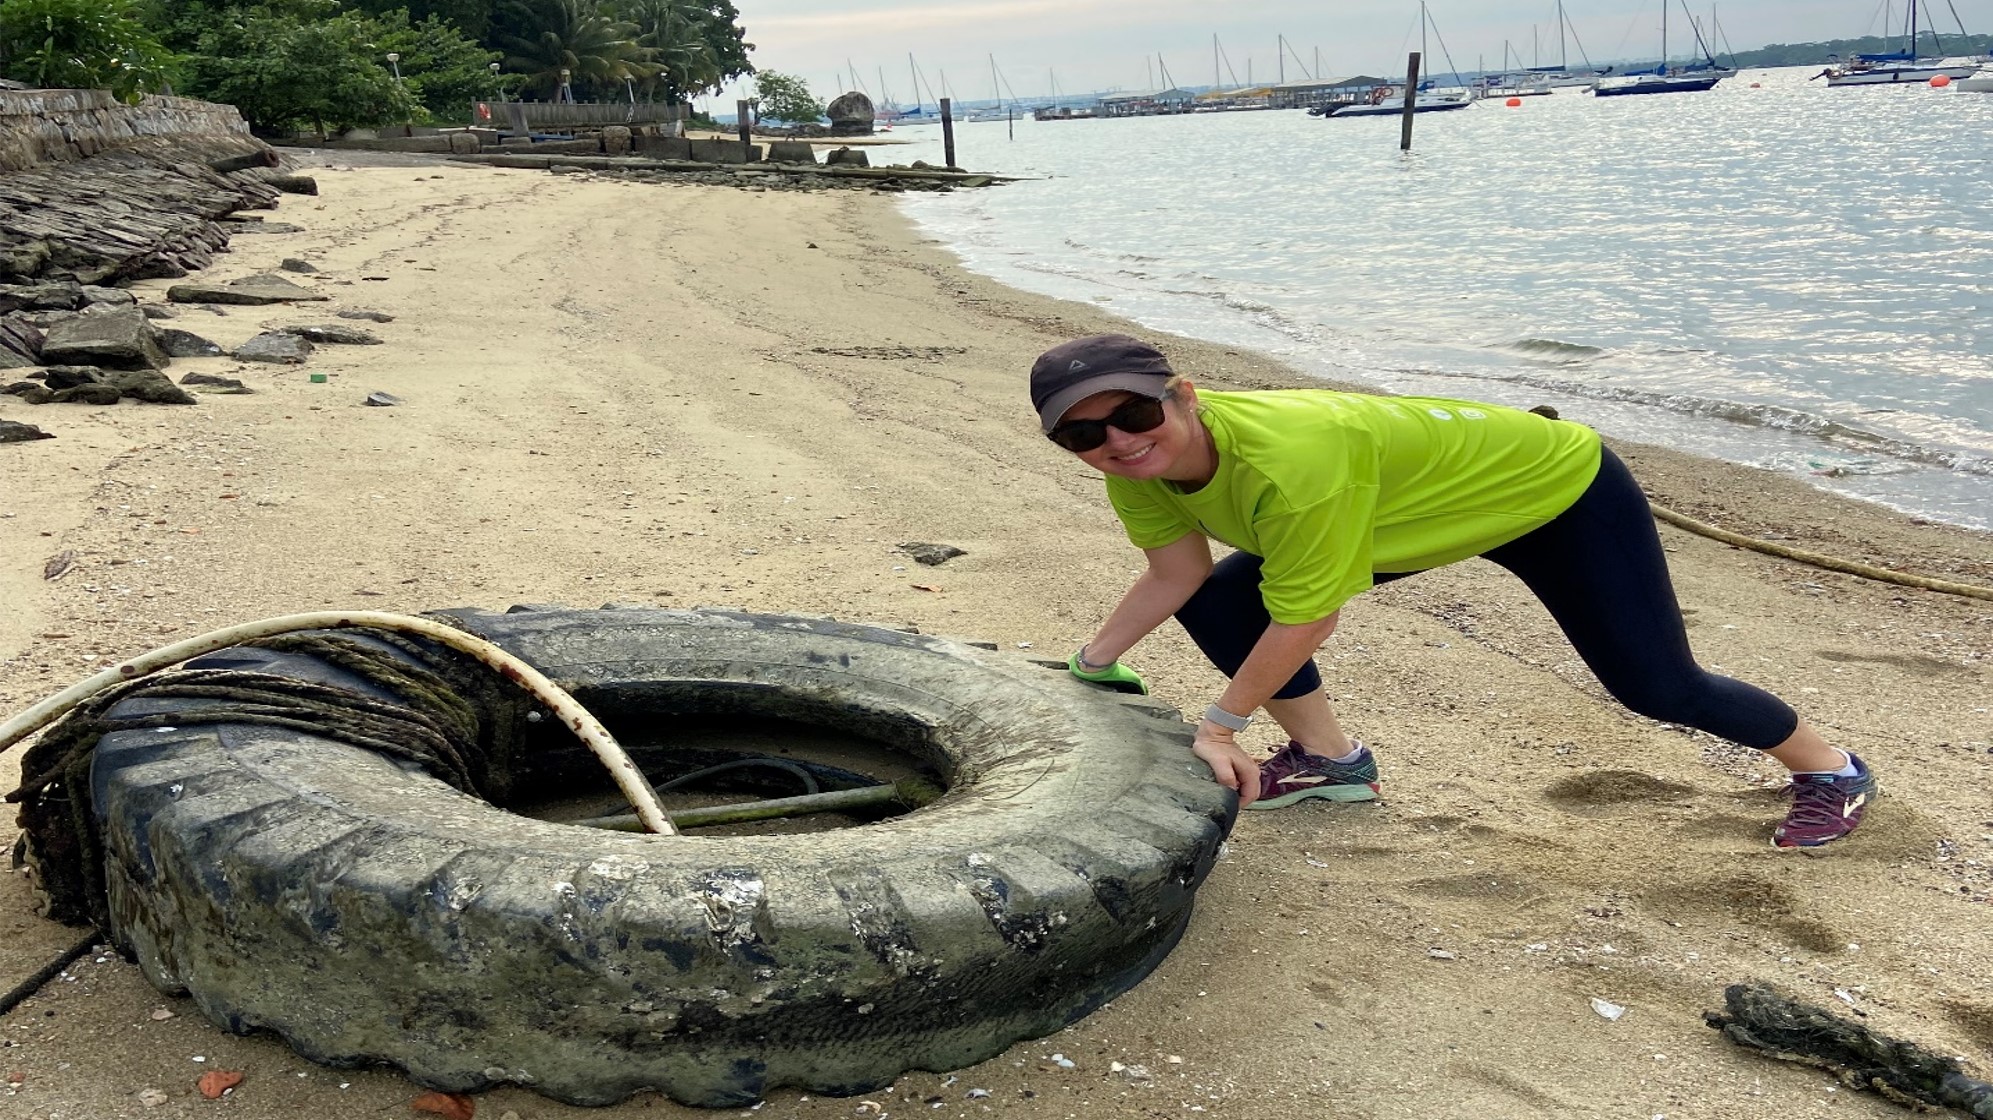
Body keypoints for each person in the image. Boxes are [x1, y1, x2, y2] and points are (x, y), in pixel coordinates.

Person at [1031, 333, 1877, 849]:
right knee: (1217, 596)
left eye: (1135, 416)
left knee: (1655, 685)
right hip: (1415, 513)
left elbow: (1306, 615)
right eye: (1084, 432)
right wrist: (1089, 664)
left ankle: (1832, 771)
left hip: (1553, 494)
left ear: (1183, 394)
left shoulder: (1291, 463)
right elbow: (1173, 576)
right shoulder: (1131, 468)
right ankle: (1332, 763)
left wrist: (1221, 726)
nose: (1115, 441)